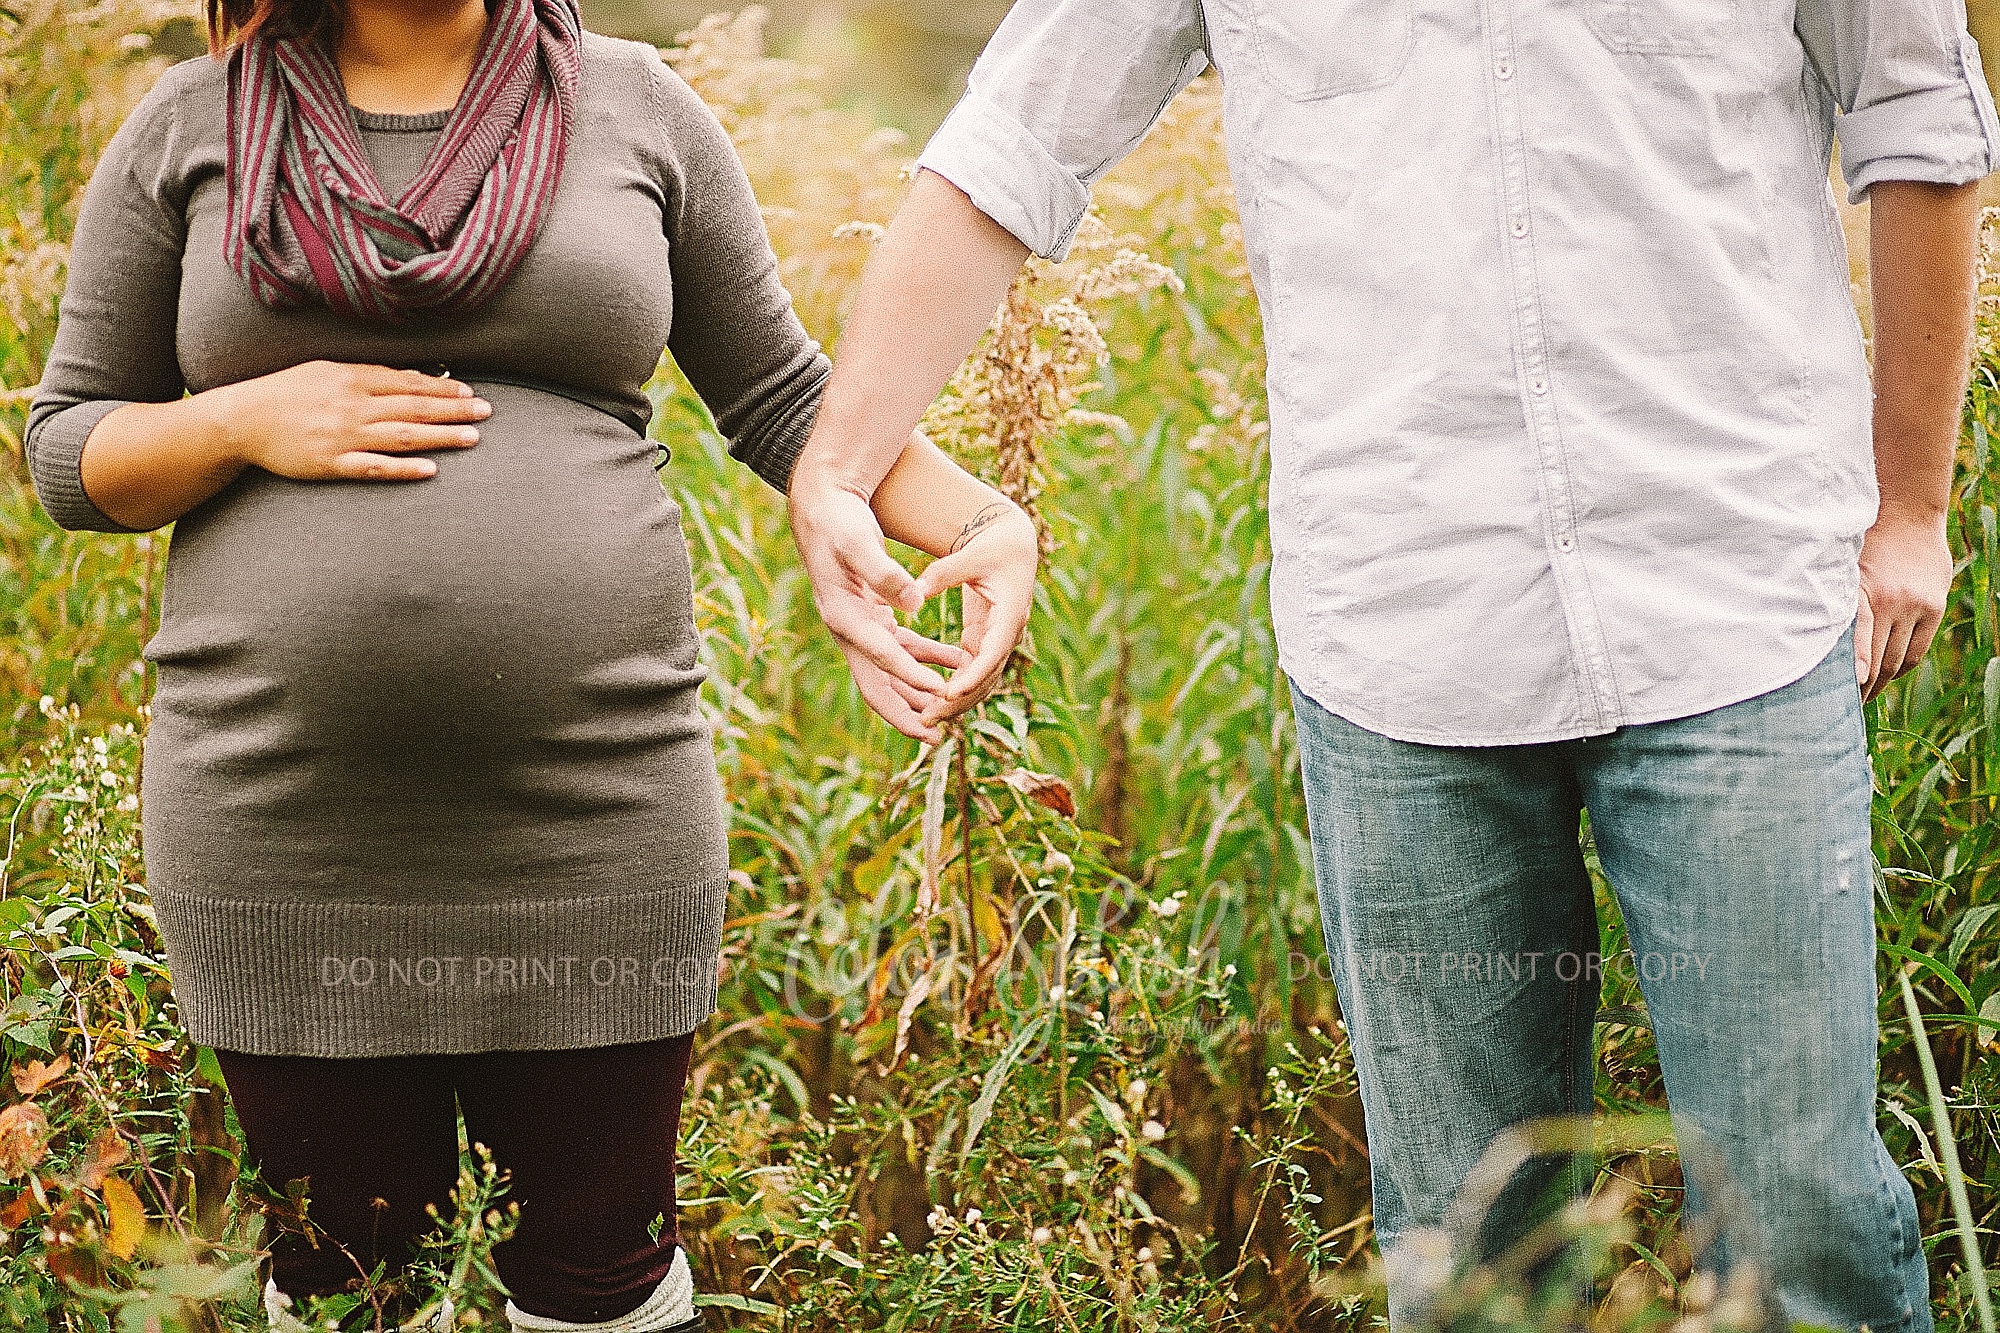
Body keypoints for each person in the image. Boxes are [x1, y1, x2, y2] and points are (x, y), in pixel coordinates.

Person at [785, 0, 1997, 1325]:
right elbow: (1015, 139)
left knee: (1802, 1223)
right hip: (1402, 642)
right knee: (1474, 1260)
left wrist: (1913, 506)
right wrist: (842, 464)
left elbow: (1916, 111)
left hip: (1737, 603)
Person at [22, 0, 1037, 1329]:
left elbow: (789, 401)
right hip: (285, 824)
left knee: (599, 1274)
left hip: (595, 813)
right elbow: (67, 454)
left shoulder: (635, 109)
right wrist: (243, 418)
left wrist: (980, 518)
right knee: (344, 1282)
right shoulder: (191, 124)